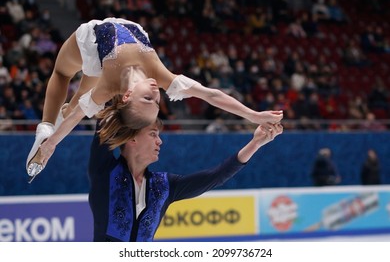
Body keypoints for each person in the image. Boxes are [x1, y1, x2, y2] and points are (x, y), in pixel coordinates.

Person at [26, 17, 283, 181]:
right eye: (156, 99)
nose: (156, 92)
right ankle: (59, 115)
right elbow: (210, 94)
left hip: (94, 41)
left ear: (127, 96)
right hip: (130, 31)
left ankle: (45, 125)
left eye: (147, 97)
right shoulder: (160, 75)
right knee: (80, 97)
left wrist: (49, 144)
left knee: (62, 75)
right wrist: (253, 115)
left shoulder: (109, 86)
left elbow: (76, 117)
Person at [88, 117, 283, 241]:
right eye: (153, 134)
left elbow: (216, 176)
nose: (160, 141)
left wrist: (256, 143)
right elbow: (106, 117)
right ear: (131, 139)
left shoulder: (164, 186)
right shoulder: (105, 172)